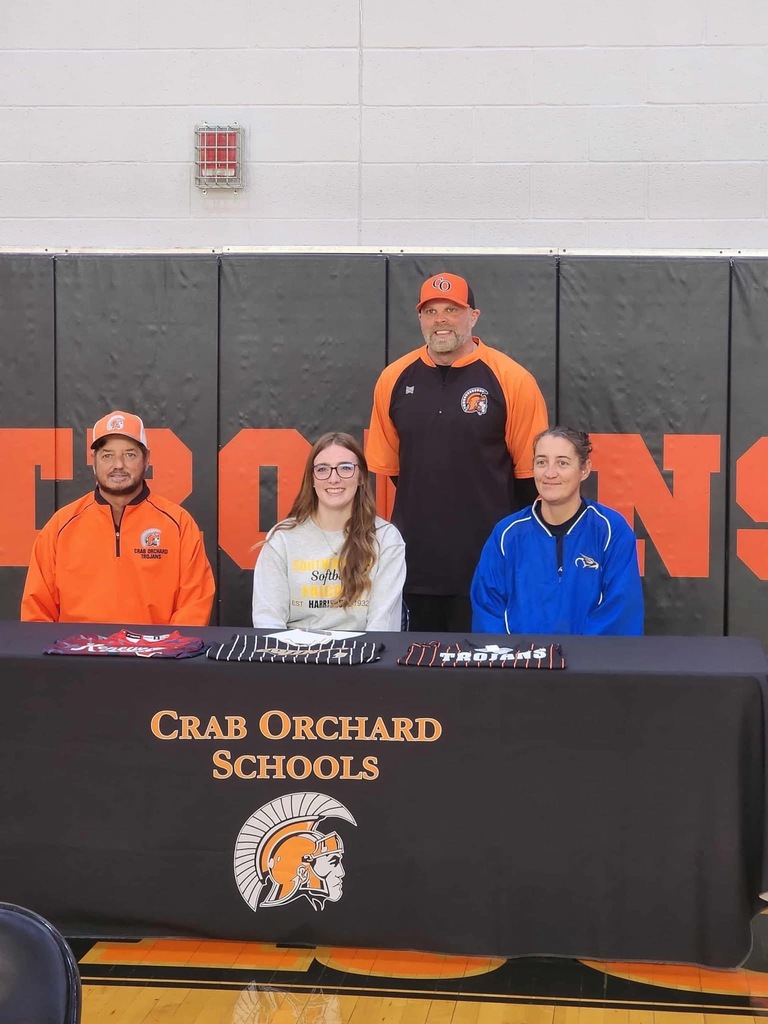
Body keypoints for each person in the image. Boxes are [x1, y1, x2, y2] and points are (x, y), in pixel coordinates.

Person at [366, 271, 548, 632]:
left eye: (452, 309)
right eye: (431, 311)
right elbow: (394, 470)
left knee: (484, 678)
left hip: (489, 563)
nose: (441, 320)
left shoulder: (512, 379)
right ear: (420, 318)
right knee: (419, 676)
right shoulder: (394, 378)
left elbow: (530, 479)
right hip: (416, 563)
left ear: (473, 316)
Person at [21, 410, 215, 625]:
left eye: (129, 454)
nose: (118, 464)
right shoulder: (61, 525)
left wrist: (165, 651)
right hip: (78, 654)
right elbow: (36, 610)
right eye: (107, 455)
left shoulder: (178, 524)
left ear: (147, 459)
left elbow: (194, 605)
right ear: (93, 461)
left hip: (155, 655)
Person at [471, 426, 644, 635]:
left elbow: (621, 610)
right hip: (521, 664)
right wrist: (517, 659)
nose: (550, 473)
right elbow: (488, 609)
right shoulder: (506, 534)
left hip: (589, 664)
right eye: (542, 462)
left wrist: (580, 661)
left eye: (562, 463)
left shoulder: (611, 531)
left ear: (585, 469)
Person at [251, 432, 406, 631]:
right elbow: (268, 621)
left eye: (345, 468)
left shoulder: (386, 539)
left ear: (361, 477)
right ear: (312, 479)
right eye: (323, 469)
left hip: (360, 657)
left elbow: (382, 627)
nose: (334, 478)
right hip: (294, 657)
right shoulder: (282, 539)